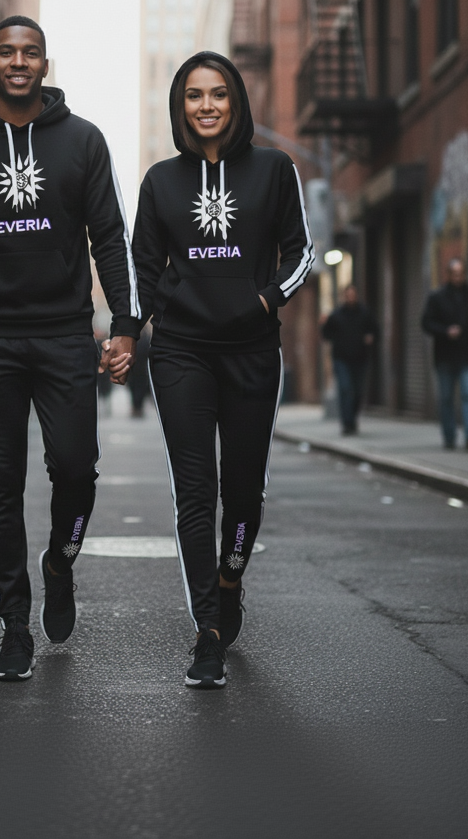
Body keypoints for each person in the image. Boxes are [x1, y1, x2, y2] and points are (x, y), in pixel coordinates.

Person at [0, 16, 141, 682]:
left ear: (45, 62)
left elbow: (110, 237)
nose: (19, 61)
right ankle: (15, 623)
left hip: (66, 334)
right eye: (7, 52)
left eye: (30, 52)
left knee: (76, 468)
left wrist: (125, 323)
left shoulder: (83, 141)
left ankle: (60, 561)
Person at [129, 51, 314, 688]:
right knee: (194, 491)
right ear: (180, 106)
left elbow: (301, 249)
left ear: (235, 102)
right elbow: (144, 272)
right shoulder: (160, 182)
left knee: (243, 490)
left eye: (218, 94)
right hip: (181, 350)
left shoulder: (274, 170)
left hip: (253, 351)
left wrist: (265, 300)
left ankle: (231, 575)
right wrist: (128, 334)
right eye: (192, 95)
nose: (205, 105)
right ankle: (206, 632)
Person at [421, 258, 468, 450]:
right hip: (445, 356)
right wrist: (445, 331)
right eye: (455, 274)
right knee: (446, 399)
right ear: (449, 274)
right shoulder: (437, 297)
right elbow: (426, 323)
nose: (458, 277)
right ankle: (449, 436)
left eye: (461, 273)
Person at [320, 284, 378, 435]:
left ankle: (352, 419)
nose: (351, 297)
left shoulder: (365, 313)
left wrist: (370, 337)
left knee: (358, 392)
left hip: (360, 358)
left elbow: (375, 330)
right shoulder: (337, 315)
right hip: (341, 359)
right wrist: (328, 330)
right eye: (348, 294)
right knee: (345, 389)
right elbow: (326, 334)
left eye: (353, 294)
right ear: (344, 296)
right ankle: (347, 424)